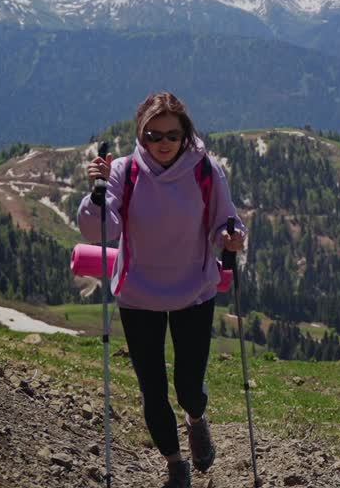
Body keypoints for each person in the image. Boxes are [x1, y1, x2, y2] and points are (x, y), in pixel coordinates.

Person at [80, 92, 245, 488]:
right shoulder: (122, 171)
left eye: (173, 133)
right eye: (154, 135)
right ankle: (175, 464)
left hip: (194, 292)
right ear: (141, 134)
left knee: (189, 385)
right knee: (152, 390)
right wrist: (98, 194)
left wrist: (232, 237)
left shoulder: (206, 169)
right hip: (138, 295)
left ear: (186, 132)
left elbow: (226, 220)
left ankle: (196, 419)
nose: (164, 142)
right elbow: (102, 230)